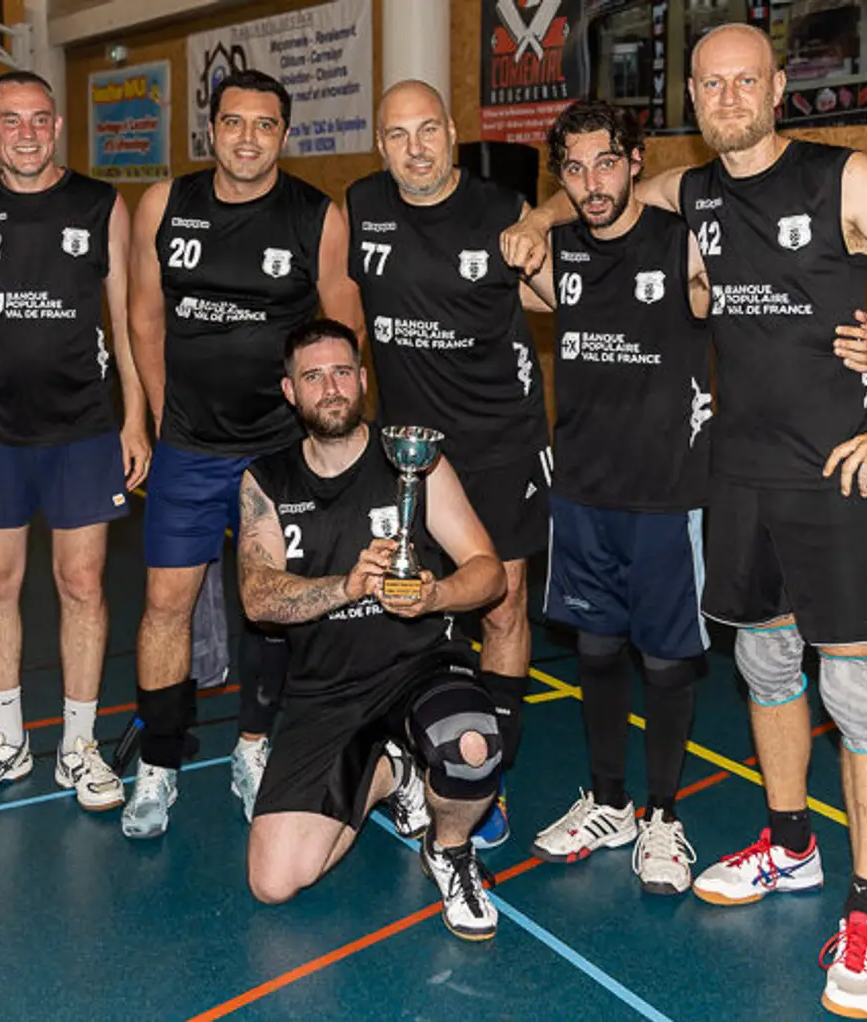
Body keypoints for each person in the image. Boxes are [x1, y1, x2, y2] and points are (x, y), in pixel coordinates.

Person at [505, 24, 867, 1019]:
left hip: (834, 479)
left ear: (777, 86)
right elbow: (601, 192)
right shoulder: (693, 193)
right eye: (708, 83)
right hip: (736, 478)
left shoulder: (847, 178)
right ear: (691, 93)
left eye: (743, 81)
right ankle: (789, 843)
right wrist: (540, 212)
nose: (726, 96)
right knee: (765, 666)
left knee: (855, 695)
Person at [518, 100, 867, 896]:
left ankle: (662, 817)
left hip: (668, 495)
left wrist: (864, 346)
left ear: (636, 160)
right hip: (582, 493)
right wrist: (534, 226)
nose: (592, 183)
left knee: (668, 660)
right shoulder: (557, 253)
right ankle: (608, 801)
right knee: (594, 651)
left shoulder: (685, 245)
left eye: (606, 162)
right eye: (574, 169)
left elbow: (779, 304)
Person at [122, 69, 363, 837]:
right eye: (234, 123)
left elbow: (346, 344)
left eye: (265, 125)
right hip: (189, 447)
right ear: (212, 129)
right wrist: (159, 423)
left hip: (277, 453)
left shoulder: (316, 218)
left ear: (284, 136)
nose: (248, 138)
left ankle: (253, 749)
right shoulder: (165, 204)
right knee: (166, 605)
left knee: (270, 610)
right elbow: (142, 320)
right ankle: (157, 764)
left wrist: (344, 446)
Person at [0, 71, 147, 810]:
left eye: (40, 120)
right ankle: (8, 739)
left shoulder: (100, 204)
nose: (26, 133)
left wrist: (135, 418)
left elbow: (129, 318)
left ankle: (78, 745)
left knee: (82, 583)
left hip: (83, 428)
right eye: (10, 121)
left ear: (57, 127)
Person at [238, 319, 507, 941]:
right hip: (325, 689)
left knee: (469, 745)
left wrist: (437, 593)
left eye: (341, 372)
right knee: (273, 882)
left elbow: (488, 572)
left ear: (362, 379)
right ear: (290, 391)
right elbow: (257, 598)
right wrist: (346, 586)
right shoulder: (267, 480)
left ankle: (449, 850)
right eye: (313, 377)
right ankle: (391, 769)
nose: (330, 388)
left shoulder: (413, 458)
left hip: (419, 665)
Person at [343, 80, 549, 848]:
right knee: (405, 599)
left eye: (428, 131)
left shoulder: (501, 212)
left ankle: (486, 775)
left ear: (454, 133)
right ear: (380, 145)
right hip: (407, 454)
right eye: (398, 135)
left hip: (500, 444)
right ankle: (413, 747)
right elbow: (344, 308)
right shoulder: (362, 205)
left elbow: (572, 296)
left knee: (501, 603)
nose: (416, 149)